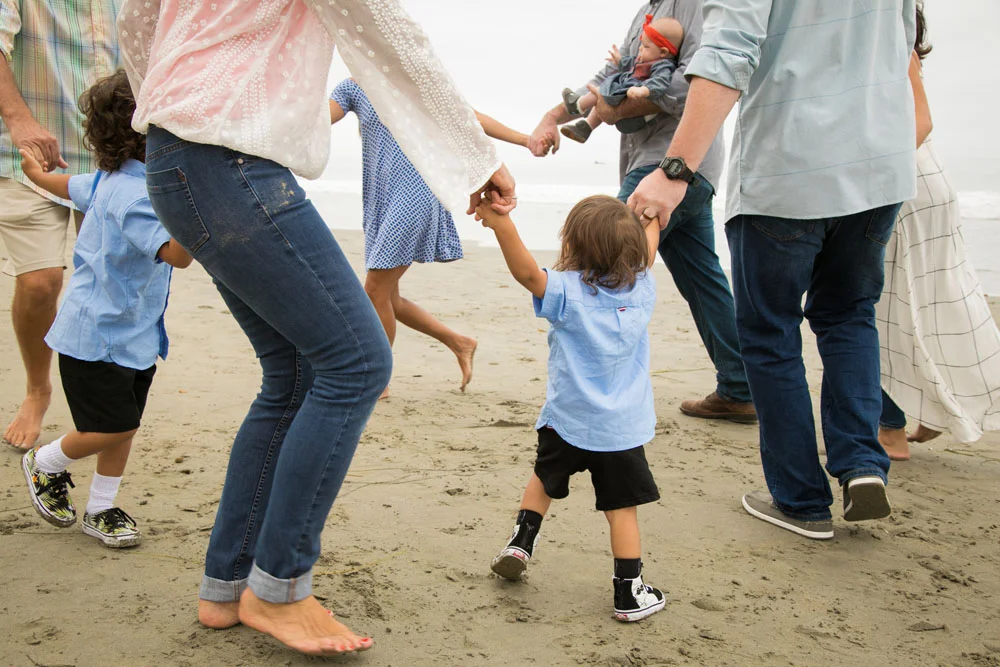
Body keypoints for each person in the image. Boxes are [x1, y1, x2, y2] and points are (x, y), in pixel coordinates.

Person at [118, 0, 516, 657]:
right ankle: (278, 588)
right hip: (229, 160)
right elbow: (391, 37)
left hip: (178, 156)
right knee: (359, 361)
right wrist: (476, 160)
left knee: (295, 370)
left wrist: (168, 105)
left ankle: (229, 584)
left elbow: (138, 22)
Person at [627, 0, 917, 540]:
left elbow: (726, 53)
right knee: (849, 316)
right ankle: (861, 464)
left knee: (770, 333)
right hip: (879, 163)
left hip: (789, 167)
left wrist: (675, 169)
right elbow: (904, 42)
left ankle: (801, 501)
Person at [528, 0, 756, 424]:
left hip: (669, 169)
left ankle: (595, 397)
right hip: (670, 169)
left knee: (604, 264)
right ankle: (740, 388)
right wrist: (551, 117)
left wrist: (612, 108)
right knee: (702, 281)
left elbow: (691, 86)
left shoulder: (696, 6)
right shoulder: (647, 11)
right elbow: (610, 76)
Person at [18, 70, 191, 549]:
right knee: (115, 426)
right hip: (97, 337)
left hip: (133, 334)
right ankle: (45, 462)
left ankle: (100, 508)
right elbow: (178, 255)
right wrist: (202, 199)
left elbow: (70, 185)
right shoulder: (138, 198)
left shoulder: (110, 178)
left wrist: (36, 175)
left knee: (121, 428)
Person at [482, 194, 666, 623]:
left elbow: (527, 273)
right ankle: (628, 591)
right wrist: (654, 216)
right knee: (621, 510)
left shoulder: (565, 290)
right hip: (620, 432)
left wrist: (500, 223)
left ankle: (520, 544)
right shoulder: (642, 286)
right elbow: (649, 251)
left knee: (544, 478)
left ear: (572, 245)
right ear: (633, 251)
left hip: (566, 421)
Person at [329, 78, 535, 397]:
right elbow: (319, 118)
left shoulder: (409, 75)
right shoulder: (353, 87)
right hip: (380, 199)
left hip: (417, 193)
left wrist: (525, 140)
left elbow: (469, 117)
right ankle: (459, 342)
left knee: (374, 291)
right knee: (388, 298)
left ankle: (377, 381)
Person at [878, 4, 1000, 460]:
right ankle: (933, 409)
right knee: (931, 303)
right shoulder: (890, 47)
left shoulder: (892, 48)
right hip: (926, 184)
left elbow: (921, 122)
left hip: (906, 189)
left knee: (884, 310)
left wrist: (872, 172)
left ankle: (890, 430)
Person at [0, 1, 122, 450]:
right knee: (40, 282)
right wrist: (19, 120)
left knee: (112, 285)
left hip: (116, 158)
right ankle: (38, 389)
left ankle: (103, 407)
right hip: (28, 153)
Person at [561, 16, 684, 143]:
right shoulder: (646, 59)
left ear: (663, 52)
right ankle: (586, 127)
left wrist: (644, 90)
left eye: (645, 46)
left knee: (601, 91)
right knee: (601, 100)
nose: (640, 49)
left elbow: (660, 81)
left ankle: (578, 105)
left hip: (628, 94)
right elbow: (631, 63)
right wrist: (620, 61)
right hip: (627, 93)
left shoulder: (663, 66)